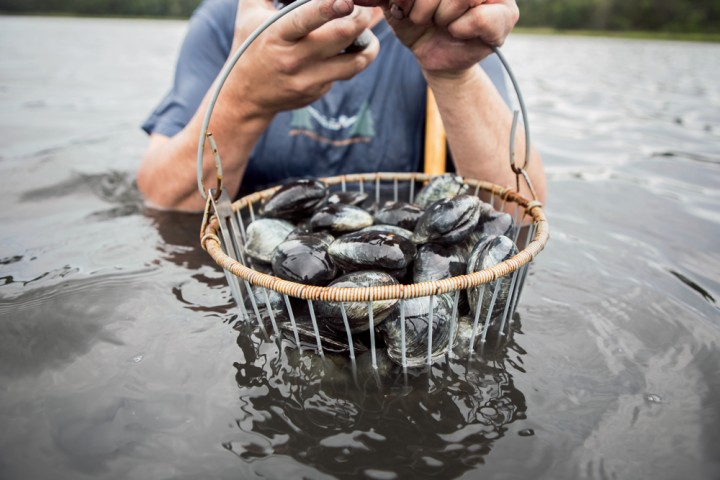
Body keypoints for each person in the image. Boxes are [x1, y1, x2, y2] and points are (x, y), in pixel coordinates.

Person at [137, 0, 546, 212]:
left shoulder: (447, 22)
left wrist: (454, 76)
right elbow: (162, 199)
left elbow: (523, 220)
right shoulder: (230, 19)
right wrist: (244, 97)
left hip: (400, 306)